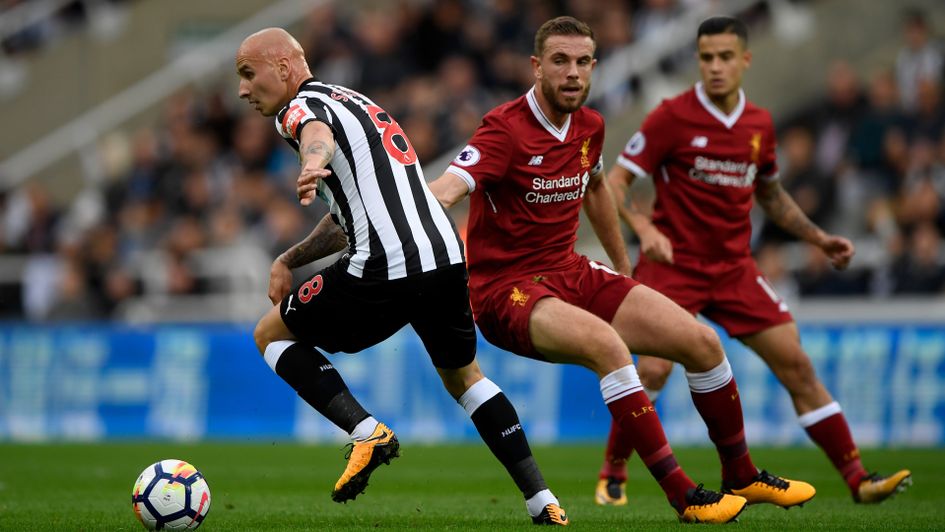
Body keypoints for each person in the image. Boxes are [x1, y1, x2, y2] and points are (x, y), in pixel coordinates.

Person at [425, 16, 813, 524]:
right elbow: (447, 189)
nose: (573, 74)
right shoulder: (504, 128)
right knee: (610, 348)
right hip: (506, 290)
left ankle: (740, 473)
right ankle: (683, 497)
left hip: (570, 271)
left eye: (583, 62)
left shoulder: (590, 125)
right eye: (560, 62)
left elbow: (598, 187)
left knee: (703, 344)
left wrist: (625, 270)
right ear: (536, 67)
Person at [237, 28, 569, 526]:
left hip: (384, 266)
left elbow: (315, 136)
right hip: (444, 258)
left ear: (283, 68)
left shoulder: (299, 108)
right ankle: (543, 502)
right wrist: (291, 258)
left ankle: (365, 431)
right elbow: (350, 213)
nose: (242, 89)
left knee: (270, 334)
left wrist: (311, 163)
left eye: (248, 73)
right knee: (465, 378)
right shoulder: (358, 101)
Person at [602, 15, 912, 506]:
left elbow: (770, 193)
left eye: (726, 57)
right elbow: (615, 183)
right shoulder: (671, 116)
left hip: (733, 269)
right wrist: (643, 228)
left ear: (746, 60)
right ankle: (613, 472)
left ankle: (858, 479)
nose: (716, 67)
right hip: (674, 267)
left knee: (797, 366)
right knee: (655, 369)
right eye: (706, 58)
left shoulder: (759, 125)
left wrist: (818, 236)